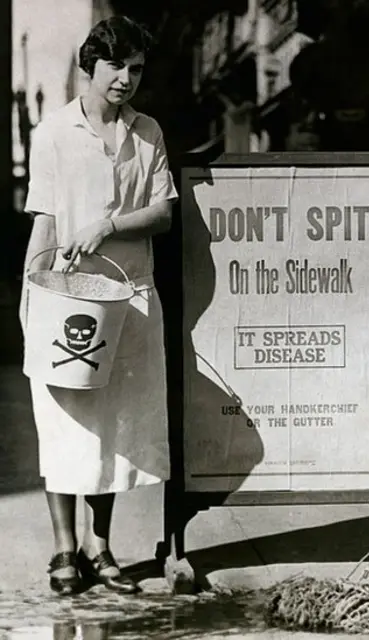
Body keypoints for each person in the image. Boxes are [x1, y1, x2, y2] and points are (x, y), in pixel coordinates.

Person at [20, 16, 177, 595]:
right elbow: (44, 219)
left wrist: (108, 225)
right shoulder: (54, 133)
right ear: (92, 65)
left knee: (113, 426)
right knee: (63, 420)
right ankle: (64, 547)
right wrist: (29, 291)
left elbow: (163, 211)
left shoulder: (148, 132)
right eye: (116, 67)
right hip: (66, 300)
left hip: (129, 297)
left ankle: (100, 544)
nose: (126, 80)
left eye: (136, 69)